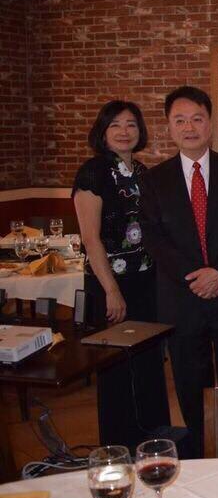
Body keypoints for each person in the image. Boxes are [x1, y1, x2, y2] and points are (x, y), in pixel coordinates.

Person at [139, 86, 218, 459]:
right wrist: (196, 276)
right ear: (169, 128)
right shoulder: (154, 179)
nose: (189, 127)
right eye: (180, 120)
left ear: (210, 124)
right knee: (191, 380)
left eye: (197, 118)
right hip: (182, 296)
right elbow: (154, 238)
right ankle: (201, 452)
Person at [72, 100, 171, 452]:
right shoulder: (93, 172)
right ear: (103, 131)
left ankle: (153, 440)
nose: (124, 131)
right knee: (116, 368)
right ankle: (120, 447)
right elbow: (90, 238)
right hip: (110, 283)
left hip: (146, 280)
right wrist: (112, 290)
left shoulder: (143, 171)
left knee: (147, 363)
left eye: (131, 124)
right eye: (115, 125)